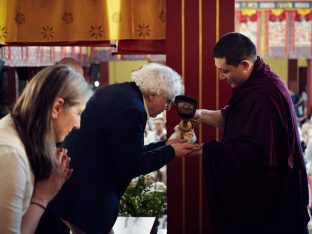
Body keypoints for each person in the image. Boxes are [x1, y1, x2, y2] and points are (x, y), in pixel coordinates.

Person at [49, 63, 196, 234]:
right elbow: (131, 165)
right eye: (168, 100)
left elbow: (130, 151)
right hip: (86, 195)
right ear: (152, 94)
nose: (168, 108)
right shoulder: (132, 109)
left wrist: (166, 145)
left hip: (75, 186)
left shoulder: (121, 93)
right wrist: (171, 152)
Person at [195, 32, 309, 234]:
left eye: (225, 71)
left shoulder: (263, 95)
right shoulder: (258, 81)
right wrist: (197, 115)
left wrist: (205, 149)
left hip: (273, 196)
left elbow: (251, 156)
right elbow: (231, 117)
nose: (221, 77)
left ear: (245, 65)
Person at [0, 64, 93, 234]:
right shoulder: (10, 154)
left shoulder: (24, 136)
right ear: (57, 108)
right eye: (79, 113)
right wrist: (42, 195)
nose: (79, 125)